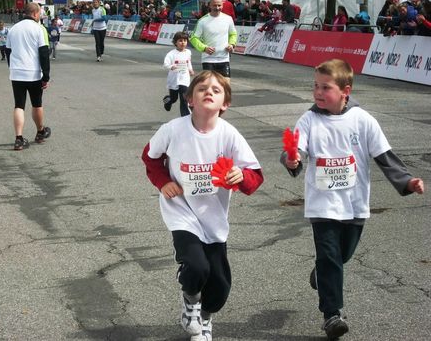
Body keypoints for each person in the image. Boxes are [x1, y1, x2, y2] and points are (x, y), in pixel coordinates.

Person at [280, 59, 425, 340]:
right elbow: (294, 151)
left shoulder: (362, 120)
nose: (318, 93)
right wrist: (292, 159)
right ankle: (332, 314)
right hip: (322, 205)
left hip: (354, 204)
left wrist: (407, 181)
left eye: (326, 87)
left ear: (346, 90)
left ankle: (322, 275)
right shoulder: (309, 119)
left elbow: (385, 157)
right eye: (315, 86)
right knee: (330, 255)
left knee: (341, 255)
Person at [142, 70, 264, 341]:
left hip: (213, 217)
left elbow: (254, 176)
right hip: (181, 211)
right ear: (190, 100)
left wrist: (241, 176)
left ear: (225, 104)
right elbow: (150, 158)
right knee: (197, 267)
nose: (209, 92)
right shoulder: (173, 130)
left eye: (216, 90)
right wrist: (163, 182)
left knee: (220, 286)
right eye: (202, 89)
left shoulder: (229, 135)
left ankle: (206, 316)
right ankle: (190, 299)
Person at [6, 2, 51, 151]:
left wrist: (12, 67)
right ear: (35, 13)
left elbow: (8, 51)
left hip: (17, 72)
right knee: (36, 104)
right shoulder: (39, 29)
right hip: (33, 73)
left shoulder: (13, 29)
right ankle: (40, 131)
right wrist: (46, 76)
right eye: (39, 13)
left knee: (19, 105)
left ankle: (18, 139)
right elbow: (44, 53)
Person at [190, 0, 237, 81]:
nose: (217, 7)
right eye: (214, 5)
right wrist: (204, 48)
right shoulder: (202, 21)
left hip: (224, 59)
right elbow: (193, 38)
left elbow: (233, 34)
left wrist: (232, 44)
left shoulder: (228, 19)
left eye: (219, 5)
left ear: (222, 5)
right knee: (210, 88)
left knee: (226, 88)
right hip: (208, 60)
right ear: (209, 5)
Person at [162, 31, 194, 117]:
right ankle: (168, 100)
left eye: (185, 40)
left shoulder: (188, 52)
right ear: (175, 42)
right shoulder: (171, 54)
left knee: (184, 99)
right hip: (174, 79)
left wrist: (190, 69)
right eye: (180, 40)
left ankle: (185, 117)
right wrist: (171, 66)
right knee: (174, 98)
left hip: (184, 79)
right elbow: (166, 64)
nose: (183, 43)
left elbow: (188, 62)